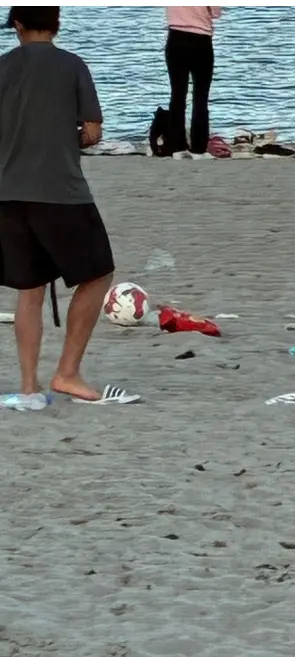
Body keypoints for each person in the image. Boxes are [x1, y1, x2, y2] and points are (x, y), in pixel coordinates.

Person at [0, 6, 139, 406]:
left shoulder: (3, 67)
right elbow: (92, 131)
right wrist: (66, 139)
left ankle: (29, 386)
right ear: (56, 24)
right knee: (97, 273)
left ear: (18, 25)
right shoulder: (72, 65)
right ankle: (67, 372)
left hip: (8, 191)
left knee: (29, 289)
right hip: (60, 190)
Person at [164, 6, 221, 157]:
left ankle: (176, 145)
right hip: (201, 39)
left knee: (177, 95)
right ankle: (198, 147)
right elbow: (216, 12)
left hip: (176, 37)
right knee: (201, 96)